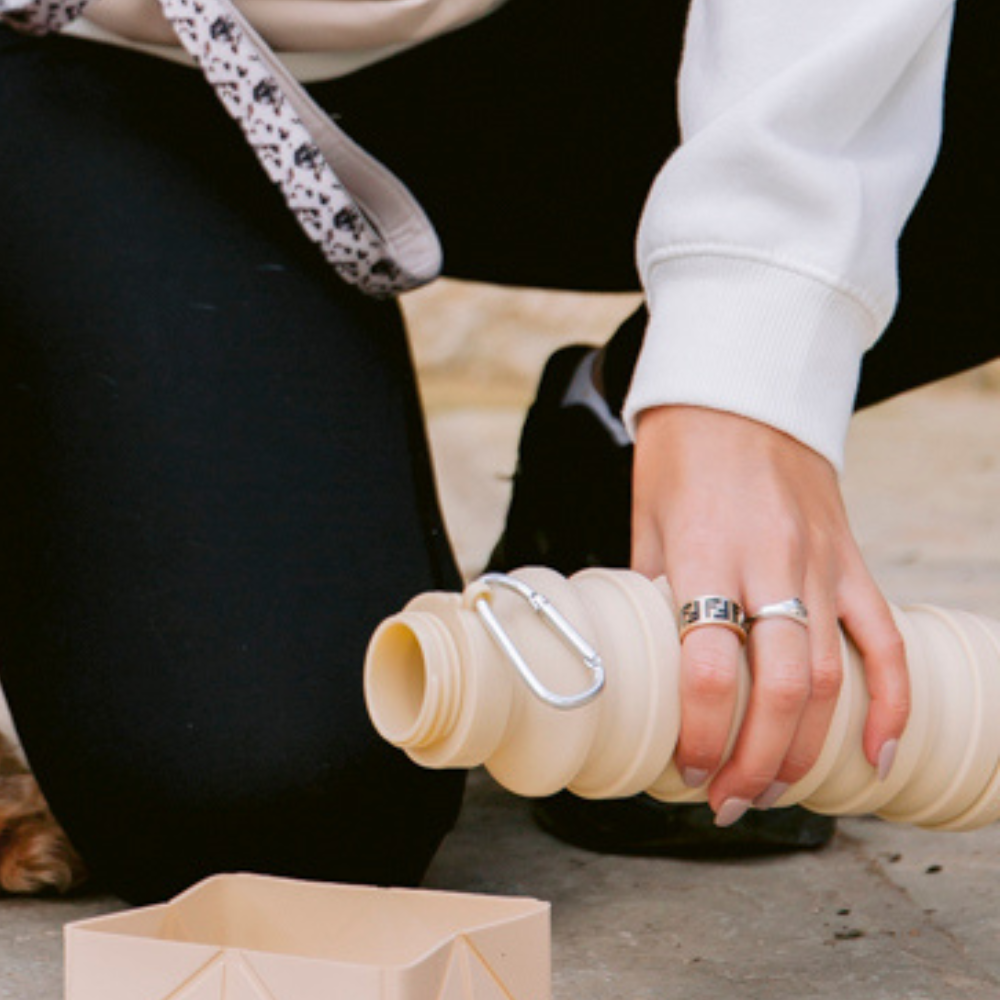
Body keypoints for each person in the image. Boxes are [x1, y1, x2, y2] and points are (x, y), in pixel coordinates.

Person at [0, 0, 993, 904]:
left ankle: (618, 478)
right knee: (265, 815)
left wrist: (746, 364)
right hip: (117, 64)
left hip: (589, 38)